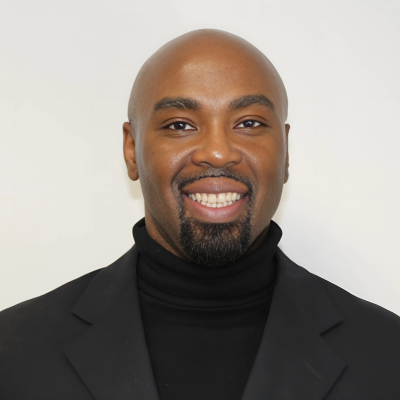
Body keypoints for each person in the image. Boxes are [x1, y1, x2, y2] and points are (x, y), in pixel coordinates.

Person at [0, 29, 399, 400]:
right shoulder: (12, 353)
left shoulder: (388, 353)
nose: (218, 152)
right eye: (180, 125)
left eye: (248, 123)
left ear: (285, 150)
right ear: (131, 149)